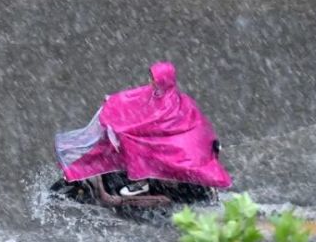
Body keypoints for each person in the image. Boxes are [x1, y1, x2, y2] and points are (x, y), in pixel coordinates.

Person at [55, 61, 232, 196]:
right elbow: (132, 99)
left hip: (164, 144)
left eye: (154, 79)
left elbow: (158, 123)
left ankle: (141, 182)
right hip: (160, 140)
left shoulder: (170, 103)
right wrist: (113, 104)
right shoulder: (157, 94)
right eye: (151, 78)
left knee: (133, 141)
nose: (150, 82)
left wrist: (127, 128)